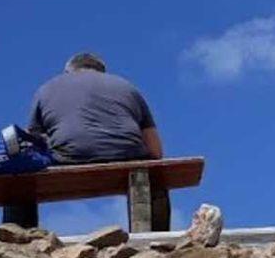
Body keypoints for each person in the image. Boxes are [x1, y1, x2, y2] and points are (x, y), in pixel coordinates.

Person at [25, 51, 170, 230]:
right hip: (127, 154)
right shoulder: (127, 87)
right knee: (154, 175)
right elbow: (155, 150)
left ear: (68, 72)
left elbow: (29, 144)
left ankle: (19, 235)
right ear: (101, 72)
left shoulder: (46, 89)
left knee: (19, 179)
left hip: (68, 156)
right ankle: (157, 237)